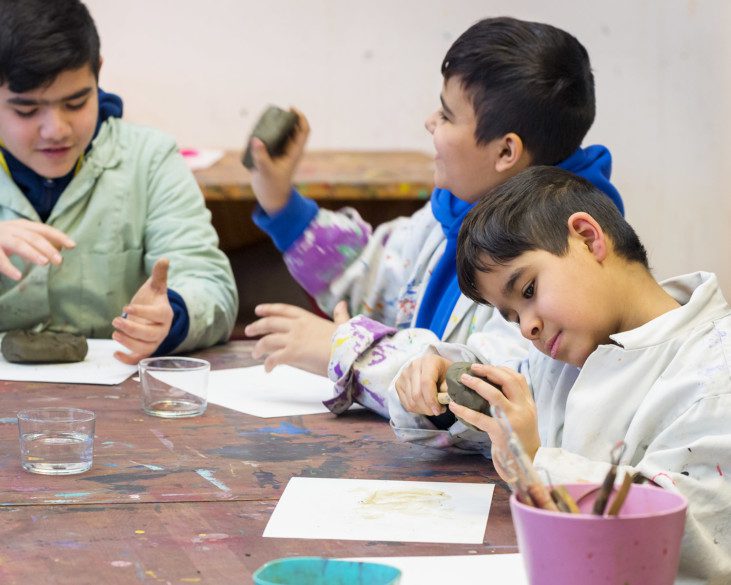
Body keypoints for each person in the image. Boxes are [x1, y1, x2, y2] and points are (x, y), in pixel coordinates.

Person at [244, 17, 623, 432]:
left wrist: (347, 352)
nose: (430, 122)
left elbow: (490, 387)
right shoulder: (458, 207)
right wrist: (281, 202)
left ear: (505, 152)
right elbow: (374, 269)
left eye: (446, 115)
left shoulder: (558, 255)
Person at [393, 166, 731, 584]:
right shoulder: (560, 364)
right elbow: (503, 424)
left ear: (589, 238)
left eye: (529, 291)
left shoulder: (716, 374)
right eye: (513, 316)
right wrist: (445, 392)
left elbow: (689, 529)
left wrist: (537, 460)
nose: (526, 328)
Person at [0, 0, 238, 363]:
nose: (56, 130)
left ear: (98, 72)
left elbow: (211, 286)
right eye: (27, 111)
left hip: (119, 397)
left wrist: (172, 316)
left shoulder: (150, 159)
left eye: (77, 103)